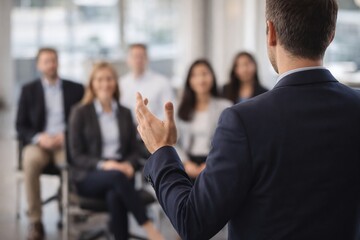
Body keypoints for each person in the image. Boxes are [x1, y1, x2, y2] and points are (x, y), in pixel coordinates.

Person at [135, 0, 360, 239]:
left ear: (270, 32)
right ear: (331, 34)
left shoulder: (243, 120)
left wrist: (161, 150)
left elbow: (192, 221)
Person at [68, 62, 163, 240]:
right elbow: (76, 155)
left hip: (119, 177)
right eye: (100, 79)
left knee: (115, 195)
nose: (105, 83)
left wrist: (127, 163)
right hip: (88, 177)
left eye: (109, 79)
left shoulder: (125, 113)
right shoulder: (79, 112)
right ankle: (150, 229)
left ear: (115, 83)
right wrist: (107, 165)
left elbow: (134, 150)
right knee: (116, 177)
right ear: (92, 84)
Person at [16, 48, 84, 240]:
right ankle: (36, 221)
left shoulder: (76, 88)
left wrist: (66, 134)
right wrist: (39, 137)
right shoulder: (28, 90)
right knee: (29, 161)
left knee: (75, 159)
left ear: (58, 62)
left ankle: (70, 207)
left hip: (66, 141)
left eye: (53, 60)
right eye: (46, 61)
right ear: (39, 65)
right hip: (40, 143)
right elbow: (20, 125)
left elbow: (83, 121)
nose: (51, 65)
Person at [176, 59, 231, 180]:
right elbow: (175, 141)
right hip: (187, 164)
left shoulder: (226, 106)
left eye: (205, 74)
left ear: (212, 77)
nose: (201, 79)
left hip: (216, 163)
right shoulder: (180, 108)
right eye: (195, 75)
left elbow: (228, 141)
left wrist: (210, 164)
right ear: (189, 80)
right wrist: (185, 163)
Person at [119, 43, 174, 120]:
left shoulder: (162, 82)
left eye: (141, 56)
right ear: (127, 59)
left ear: (147, 58)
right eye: (134, 56)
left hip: (154, 130)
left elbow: (169, 113)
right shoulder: (120, 84)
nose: (138, 60)